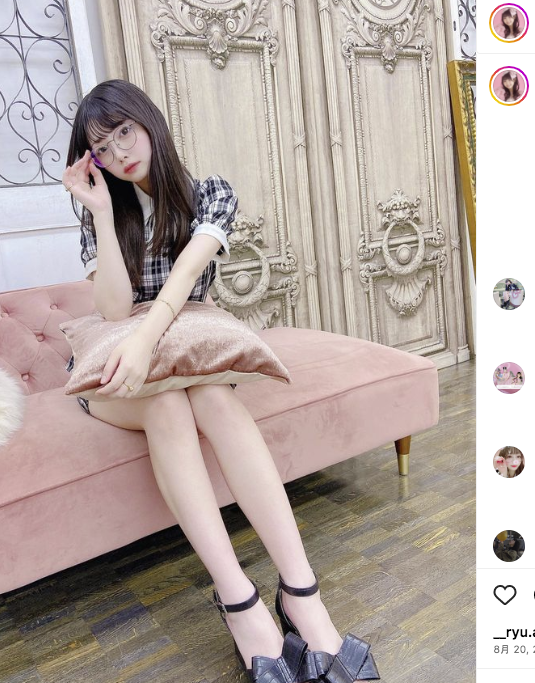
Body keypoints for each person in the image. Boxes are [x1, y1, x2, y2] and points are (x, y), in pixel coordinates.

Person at [62, 80, 378, 682]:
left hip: (178, 354)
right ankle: (240, 603)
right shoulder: (101, 213)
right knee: (165, 406)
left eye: (125, 131)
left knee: (208, 395)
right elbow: (112, 310)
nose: (119, 152)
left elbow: (185, 278)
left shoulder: (210, 194)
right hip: (120, 372)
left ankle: (302, 593)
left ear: (149, 122)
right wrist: (101, 214)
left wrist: (147, 341)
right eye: (101, 147)